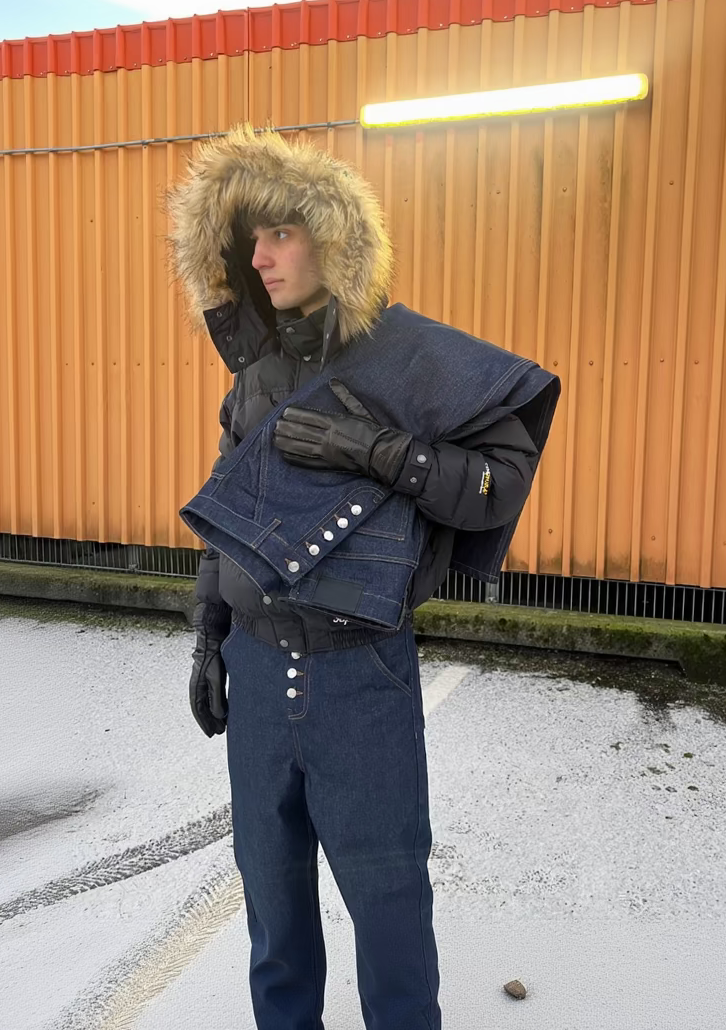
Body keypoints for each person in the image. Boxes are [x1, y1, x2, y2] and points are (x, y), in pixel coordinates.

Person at [168, 123, 559, 1030]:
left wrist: (376, 450)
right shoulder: (257, 377)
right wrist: (207, 636)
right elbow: (229, 517)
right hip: (256, 668)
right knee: (271, 901)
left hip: (362, 673)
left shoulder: (414, 356)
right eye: (251, 240)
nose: (260, 259)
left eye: (281, 234)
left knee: (388, 904)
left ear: (333, 240)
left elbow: (499, 481)